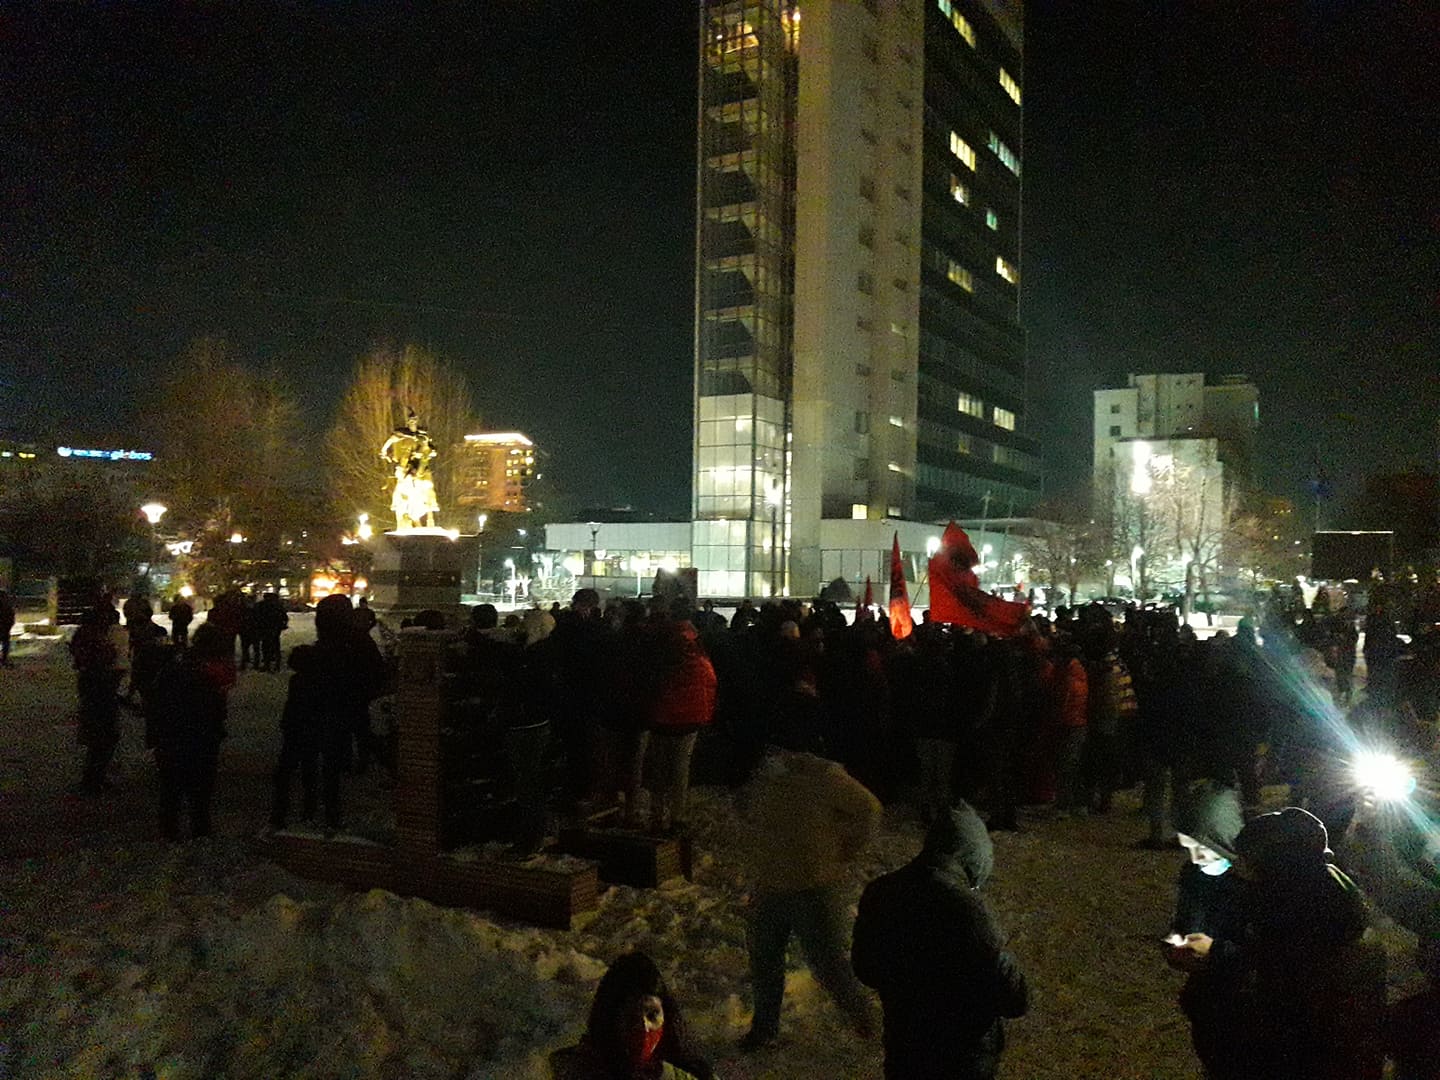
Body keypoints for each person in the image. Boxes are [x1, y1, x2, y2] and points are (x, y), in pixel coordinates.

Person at [1168, 806, 1382, 1078]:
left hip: (1301, 1055)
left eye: (1249, 860)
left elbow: (1283, 971)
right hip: (1323, 1045)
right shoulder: (1320, 885)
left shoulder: (1307, 906)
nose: (1241, 868)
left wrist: (1214, 954)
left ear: (1278, 861)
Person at [852, 800, 1029, 1080]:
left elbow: (865, 968)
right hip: (962, 1060)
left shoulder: (881, 892)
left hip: (904, 1050)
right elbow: (1014, 998)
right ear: (973, 854)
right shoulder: (967, 910)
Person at [735, 748, 881, 1050]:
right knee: (764, 962)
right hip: (769, 887)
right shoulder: (765, 777)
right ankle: (764, 1029)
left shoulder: (824, 777)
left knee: (828, 964)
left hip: (814, 889)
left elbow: (869, 809)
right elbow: (748, 814)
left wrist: (844, 848)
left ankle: (865, 1020)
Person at [1163, 782, 1248, 1078]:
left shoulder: (1250, 888)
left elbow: (1261, 952)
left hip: (1241, 1002)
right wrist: (1177, 943)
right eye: (1189, 846)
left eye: (1203, 847)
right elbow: (1186, 920)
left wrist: (1214, 950)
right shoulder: (1193, 875)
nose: (1196, 856)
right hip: (1207, 995)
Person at [550, 952, 715, 1080]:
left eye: (652, 1015)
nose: (643, 1029)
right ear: (610, 1021)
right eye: (631, 1019)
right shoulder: (576, 1071)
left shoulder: (687, 1073)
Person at [146, 623, 234, 839]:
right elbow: (214, 705)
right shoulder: (205, 672)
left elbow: (157, 700)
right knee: (198, 784)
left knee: (172, 785)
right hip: (196, 733)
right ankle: (198, 826)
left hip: (174, 733)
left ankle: (172, 827)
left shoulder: (177, 665)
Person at [68, 604, 125, 795]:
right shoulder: (93, 638)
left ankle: (95, 777)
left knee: (100, 737)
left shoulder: (85, 636)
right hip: (98, 686)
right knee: (102, 736)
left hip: (95, 685)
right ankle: (92, 780)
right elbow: (102, 658)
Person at [0, 587, 15, 666]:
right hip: (5, 623)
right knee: (5, 641)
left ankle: (4, 659)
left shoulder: (4, 597)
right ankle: (4, 659)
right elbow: (10, 613)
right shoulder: (5, 597)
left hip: (4, 622)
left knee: (5, 640)